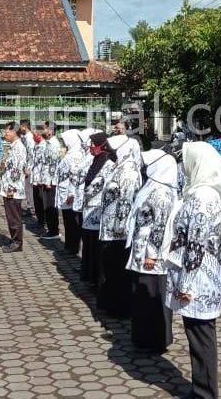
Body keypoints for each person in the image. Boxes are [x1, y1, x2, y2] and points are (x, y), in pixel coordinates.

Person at [164, 142, 221, 399]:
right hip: (202, 273)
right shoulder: (203, 192)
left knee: (201, 336)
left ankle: (205, 393)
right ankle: (201, 388)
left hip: (198, 277)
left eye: (188, 162)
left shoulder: (202, 197)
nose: (185, 167)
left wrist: (186, 284)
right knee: (198, 335)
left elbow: (196, 244)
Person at [126, 148, 177, 352]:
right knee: (142, 295)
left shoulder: (162, 193)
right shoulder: (153, 186)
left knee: (153, 294)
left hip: (151, 256)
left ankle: (155, 339)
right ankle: (143, 336)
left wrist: (152, 255)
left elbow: (160, 226)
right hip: (142, 248)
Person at [98, 134, 143, 318]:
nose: (110, 153)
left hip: (119, 232)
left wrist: (120, 226)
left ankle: (120, 307)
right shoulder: (120, 167)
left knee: (118, 270)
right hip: (110, 227)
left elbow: (126, 200)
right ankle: (111, 303)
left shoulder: (129, 172)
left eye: (113, 150)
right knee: (111, 269)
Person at [81, 132, 116, 287]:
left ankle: (96, 278)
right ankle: (90, 276)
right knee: (88, 243)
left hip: (98, 210)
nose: (91, 147)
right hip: (89, 209)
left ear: (102, 145)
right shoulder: (96, 159)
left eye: (93, 144)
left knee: (96, 246)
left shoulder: (108, 162)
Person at [0, 122, 29, 253]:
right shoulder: (13, 146)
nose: (5, 134)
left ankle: (17, 242)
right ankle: (14, 240)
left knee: (14, 217)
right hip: (10, 187)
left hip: (13, 189)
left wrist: (11, 188)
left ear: (14, 132)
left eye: (7, 132)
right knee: (11, 216)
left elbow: (16, 170)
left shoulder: (19, 148)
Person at [56, 129, 87, 255]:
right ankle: (68, 245)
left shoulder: (75, 155)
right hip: (65, 192)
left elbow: (75, 176)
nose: (64, 143)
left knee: (72, 222)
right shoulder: (71, 153)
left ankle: (72, 247)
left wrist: (72, 194)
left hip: (69, 194)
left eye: (65, 141)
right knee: (67, 221)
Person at [19, 119, 35, 215]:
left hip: (29, 168)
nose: (19, 128)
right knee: (27, 189)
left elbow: (31, 154)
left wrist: (28, 168)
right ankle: (30, 207)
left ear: (24, 127)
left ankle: (31, 209)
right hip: (26, 166)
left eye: (21, 126)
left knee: (29, 189)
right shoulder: (25, 137)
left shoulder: (29, 138)